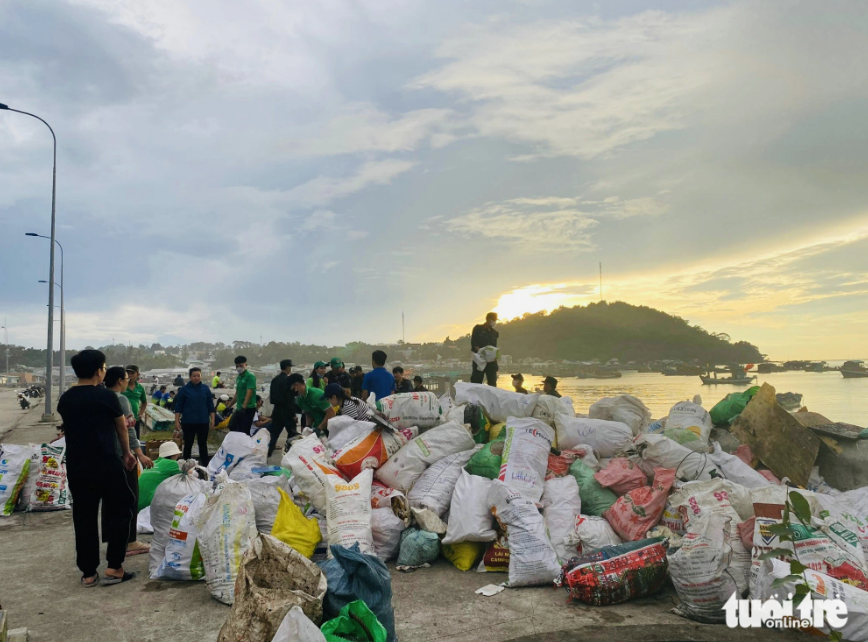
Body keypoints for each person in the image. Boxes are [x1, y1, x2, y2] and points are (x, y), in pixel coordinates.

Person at [57, 349, 137, 587]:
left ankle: (89, 573)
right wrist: (127, 453)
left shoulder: (66, 399)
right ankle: (114, 567)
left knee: (84, 517)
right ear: (97, 370)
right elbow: (121, 428)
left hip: (78, 467)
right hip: (106, 463)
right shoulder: (106, 397)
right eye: (103, 368)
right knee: (121, 508)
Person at [105, 367, 153, 557]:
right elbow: (128, 430)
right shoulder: (121, 399)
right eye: (126, 378)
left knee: (110, 501)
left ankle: (113, 538)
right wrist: (138, 454)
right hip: (121, 455)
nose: (127, 381)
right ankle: (130, 541)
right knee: (129, 498)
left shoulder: (100, 397)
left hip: (105, 456)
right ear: (119, 381)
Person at [173, 367, 215, 464]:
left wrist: (212, 419)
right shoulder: (184, 390)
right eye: (194, 376)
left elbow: (210, 405)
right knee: (188, 444)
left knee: (203, 444)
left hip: (203, 421)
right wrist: (176, 421)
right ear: (190, 377)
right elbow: (179, 406)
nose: (196, 378)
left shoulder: (205, 389)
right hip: (188, 422)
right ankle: (186, 465)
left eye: (198, 376)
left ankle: (205, 465)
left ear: (201, 376)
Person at [137, 441, 181, 511]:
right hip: (149, 506)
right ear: (176, 454)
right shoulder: (172, 463)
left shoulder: (153, 463)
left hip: (137, 504)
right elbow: (190, 473)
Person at [268, 359, 298, 457]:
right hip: (287, 411)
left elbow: (272, 398)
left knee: (273, 435)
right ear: (288, 367)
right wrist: (293, 414)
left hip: (277, 410)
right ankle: (290, 455)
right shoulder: (289, 381)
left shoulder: (275, 380)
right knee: (293, 435)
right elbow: (290, 399)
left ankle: (266, 454)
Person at [228, 355, 257, 434]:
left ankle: (246, 444)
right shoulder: (239, 378)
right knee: (232, 425)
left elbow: (249, 392)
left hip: (248, 408)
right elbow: (237, 394)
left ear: (245, 365)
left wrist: (244, 407)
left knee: (244, 429)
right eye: (237, 366)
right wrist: (228, 407)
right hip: (239, 408)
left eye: (241, 365)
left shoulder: (250, 377)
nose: (239, 368)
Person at [470, 312, 499, 386]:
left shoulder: (495, 333)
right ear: (489, 320)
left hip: (491, 361)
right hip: (479, 360)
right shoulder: (478, 328)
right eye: (494, 320)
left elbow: (494, 347)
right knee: (476, 382)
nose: (495, 322)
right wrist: (481, 352)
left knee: (492, 384)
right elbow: (474, 344)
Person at [122, 365, 148, 438]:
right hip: (122, 418)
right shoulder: (122, 385)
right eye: (128, 373)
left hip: (134, 418)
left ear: (138, 374)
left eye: (132, 373)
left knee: (135, 439)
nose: (129, 375)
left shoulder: (140, 388)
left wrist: (141, 413)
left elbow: (144, 402)